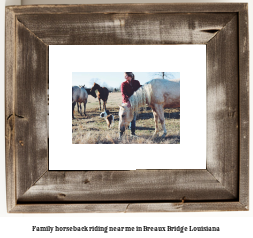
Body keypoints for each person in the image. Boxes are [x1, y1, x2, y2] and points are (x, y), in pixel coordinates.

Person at [119, 72, 141, 138]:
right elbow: (123, 94)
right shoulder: (123, 84)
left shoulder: (136, 82)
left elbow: (139, 91)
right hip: (125, 103)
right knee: (123, 118)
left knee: (133, 118)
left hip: (134, 103)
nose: (125, 77)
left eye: (126, 76)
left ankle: (132, 133)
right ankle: (121, 135)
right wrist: (128, 101)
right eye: (124, 76)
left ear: (130, 76)